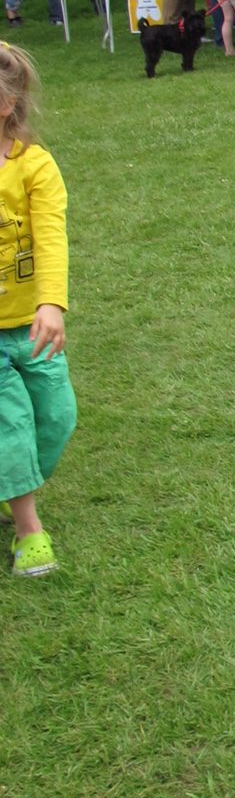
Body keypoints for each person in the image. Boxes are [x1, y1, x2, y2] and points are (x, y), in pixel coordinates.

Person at [0, 44, 77, 578]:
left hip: (31, 324)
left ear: (7, 104)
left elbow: (50, 237)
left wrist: (50, 302)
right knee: (11, 427)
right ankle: (29, 531)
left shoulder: (34, 165)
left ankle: (9, 480)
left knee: (56, 417)